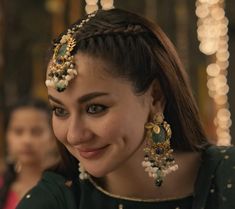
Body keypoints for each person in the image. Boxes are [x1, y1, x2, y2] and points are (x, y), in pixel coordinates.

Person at [16, 8, 235, 209]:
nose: (74, 135)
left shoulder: (227, 178)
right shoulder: (53, 201)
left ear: (155, 97)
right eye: (60, 111)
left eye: (95, 108)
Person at [0, 97, 59, 209]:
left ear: (53, 137)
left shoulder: (64, 188)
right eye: (18, 131)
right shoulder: (2, 186)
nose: (27, 140)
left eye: (36, 132)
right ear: (7, 136)